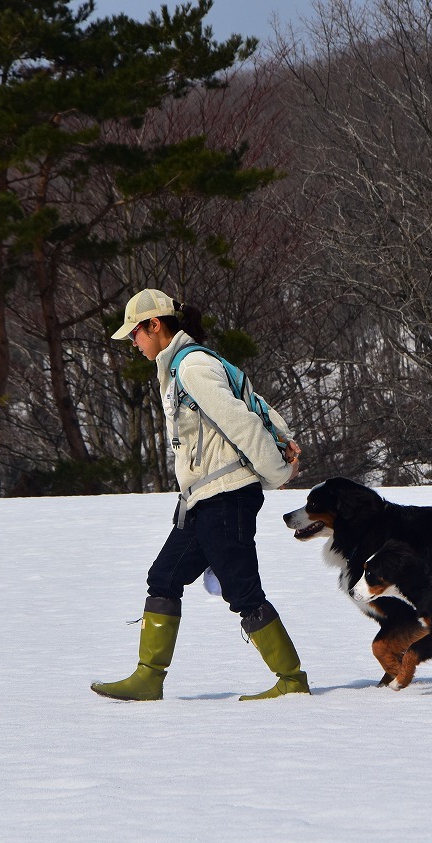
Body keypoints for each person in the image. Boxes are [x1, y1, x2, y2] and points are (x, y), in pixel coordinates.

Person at [91, 288, 310, 701]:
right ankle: (148, 677)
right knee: (164, 577)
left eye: (134, 333)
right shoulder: (181, 367)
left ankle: (292, 682)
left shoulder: (191, 366)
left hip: (226, 497)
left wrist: (277, 472)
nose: (133, 343)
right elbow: (254, 399)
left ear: (154, 325)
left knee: (242, 591)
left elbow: (242, 420)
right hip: (203, 499)